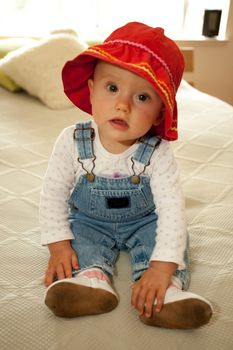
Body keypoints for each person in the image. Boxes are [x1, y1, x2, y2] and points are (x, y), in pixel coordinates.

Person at [40, 22, 213, 329]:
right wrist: (59, 246)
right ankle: (90, 280)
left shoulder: (157, 152)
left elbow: (172, 210)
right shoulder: (72, 140)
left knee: (168, 239)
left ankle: (165, 291)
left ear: (161, 112)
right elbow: (53, 193)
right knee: (80, 239)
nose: (123, 104)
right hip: (90, 220)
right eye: (112, 88)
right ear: (92, 90)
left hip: (145, 219)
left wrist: (162, 266)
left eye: (143, 97)